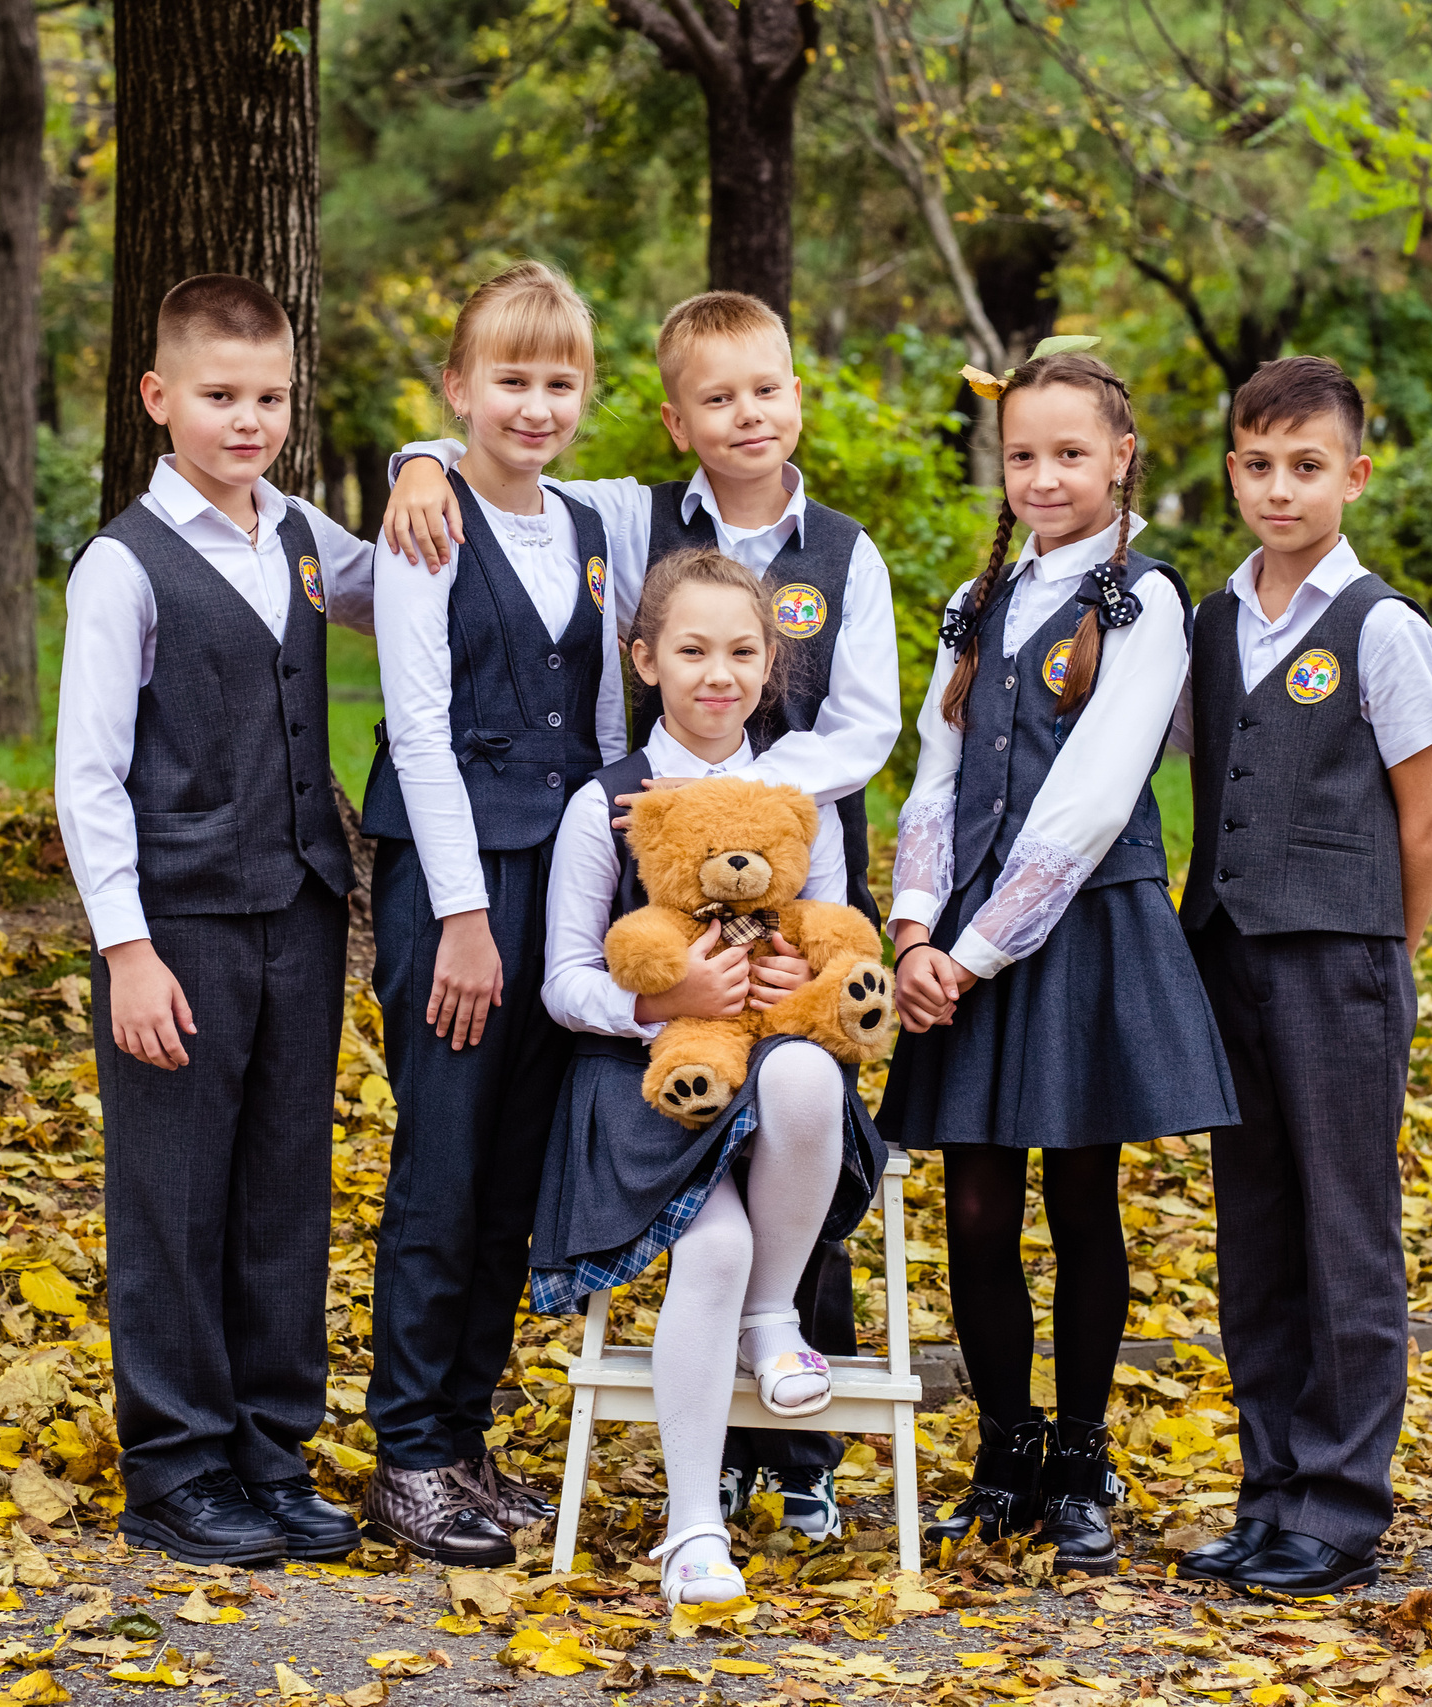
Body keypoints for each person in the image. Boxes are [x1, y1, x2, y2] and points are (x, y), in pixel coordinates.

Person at [381, 288, 899, 1539]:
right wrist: (417, 460)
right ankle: (416, 1448)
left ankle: (777, 1454)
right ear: (673, 421)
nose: (744, 415)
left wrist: (747, 803)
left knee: (757, 1112)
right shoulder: (625, 512)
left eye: (764, 389)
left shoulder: (822, 548)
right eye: (714, 399)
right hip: (570, 872)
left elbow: (871, 726)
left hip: (764, 870)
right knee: (451, 1160)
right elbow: (498, 449)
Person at [879, 344, 1238, 1576]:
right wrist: (915, 926)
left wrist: (971, 953)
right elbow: (934, 772)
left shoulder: (1144, 599)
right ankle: (1004, 1451)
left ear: (1121, 459)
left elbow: (1087, 802)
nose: (1043, 476)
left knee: (1080, 1197)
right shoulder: (974, 604)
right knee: (974, 1212)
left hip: (1070, 926)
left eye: (1069, 454)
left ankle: (1080, 1457)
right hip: (960, 937)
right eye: (1022, 454)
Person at [55, 273, 377, 1566]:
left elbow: (395, 578)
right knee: (177, 1197)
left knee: (283, 1189)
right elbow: (87, 772)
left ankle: (268, 1446)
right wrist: (125, 949)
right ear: (159, 397)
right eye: (220, 396)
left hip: (299, 909)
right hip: (177, 924)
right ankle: (177, 1463)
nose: (249, 421)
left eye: (270, 397)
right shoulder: (122, 564)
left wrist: (419, 467)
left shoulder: (298, 529)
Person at [530, 548, 888, 1601]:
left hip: (777, 1070)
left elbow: (833, 941)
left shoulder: (794, 798)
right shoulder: (607, 803)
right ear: (645, 659)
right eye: (690, 650)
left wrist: (800, 967)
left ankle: (777, 1315)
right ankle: (694, 1530)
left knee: (808, 1083)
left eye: (740, 651)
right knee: (714, 1245)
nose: (716, 674)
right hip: (647, 1075)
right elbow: (562, 978)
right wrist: (659, 1003)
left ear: (771, 663)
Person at [1171, 355, 1432, 1597]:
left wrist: (1389, 956)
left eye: (1305, 467)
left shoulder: (1379, 626)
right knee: (1257, 1231)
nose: (1278, 490)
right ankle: (1269, 1488)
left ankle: (1340, 1505)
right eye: (1256, 465)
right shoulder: (1213, 620)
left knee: (1346, 1232)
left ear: (1353, 473)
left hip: (1341, 965)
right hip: (1228, 954)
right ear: (1231, 467)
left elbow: (1427, 820)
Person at [357, 261, 627, 1565]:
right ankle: (405, 1447)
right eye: (508, 378)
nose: (535, 403)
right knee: (446, 1160)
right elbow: (418, 727)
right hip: (453, 876)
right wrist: (464, 916)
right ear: (459, 385)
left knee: (515, 1169)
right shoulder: (429, 519)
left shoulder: (591, 523)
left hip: (561, 868)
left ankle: (465, 1436)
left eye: (559, 381)